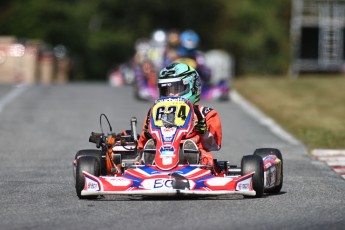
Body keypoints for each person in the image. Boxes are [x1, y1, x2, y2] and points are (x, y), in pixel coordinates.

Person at [137, 62, 222, 165]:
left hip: (194, 157)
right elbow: (141, 144)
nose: (171, 94)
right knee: (147, 149)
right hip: (160, 152)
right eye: (166, 90)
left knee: (204, 157)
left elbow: (214, 145)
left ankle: (190, 155)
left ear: (192, 86)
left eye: (175, 89)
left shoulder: (205, 113)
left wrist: (204, 133)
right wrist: (147, 135)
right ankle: (150, 158)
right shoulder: (155, 112)